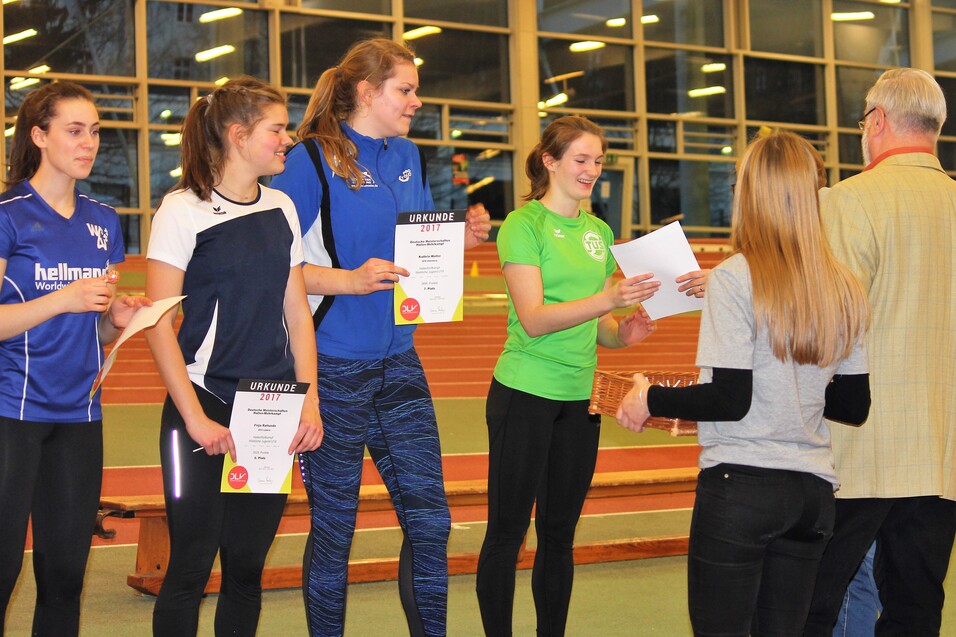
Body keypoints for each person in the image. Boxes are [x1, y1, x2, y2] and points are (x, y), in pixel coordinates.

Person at [270, 38, 491, 637]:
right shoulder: (308, 160)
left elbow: (415, 242)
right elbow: (271, 267)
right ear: (367, 92)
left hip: (399, 360)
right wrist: (349, 279)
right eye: (406, 90)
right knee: (335, 530)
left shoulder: (408, 155)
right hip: (333, 364)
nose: (417, 101)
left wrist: (460, 239)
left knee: (431, 522)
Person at [616, 131, 870, 636]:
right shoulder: (845, 284)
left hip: (742, 489)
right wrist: (792, 387)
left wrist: (648, 398)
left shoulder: (734, 277)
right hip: (812, 493)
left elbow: (729, 398)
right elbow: (852, 402)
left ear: (751, 194)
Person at [144, 76, 323, 637]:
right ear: (239, 135)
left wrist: (309, 402)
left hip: (269, 409)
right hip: (202, 403)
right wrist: (195, 418)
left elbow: (298, 315)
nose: (287, 140)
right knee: (191, 564)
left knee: (246, 568)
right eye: (277, 129)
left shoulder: (282, 207)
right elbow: (157, 324)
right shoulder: (181, 210)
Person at [474, 115, 664, 637]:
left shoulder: (599, 232)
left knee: (559, 536)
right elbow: (534, 319)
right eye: (581, 159)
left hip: (580, 401)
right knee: (507, 533)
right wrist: (609, 298)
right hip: (524, 393)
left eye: (598, 161)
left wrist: (625, 332)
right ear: (550, 161)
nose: (592, 170)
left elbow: (598, 326)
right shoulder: (523, 225)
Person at [803, 68, 956, 636]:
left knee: (812, 605)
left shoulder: (847, 201)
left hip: (858, 451)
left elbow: (829, 326)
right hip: (943, 453)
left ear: (878, 121)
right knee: (916, 610)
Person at [0, 81, 151, 636]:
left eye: (94, 131)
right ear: (39, 136)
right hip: (11, 415)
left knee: (64, 578)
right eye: (74, 130)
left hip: (80, 419)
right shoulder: (8, 216)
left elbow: (95, 330)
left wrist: (115, 321)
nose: (88, 143)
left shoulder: (103, 222)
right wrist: (64, 298)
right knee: (2, 572)